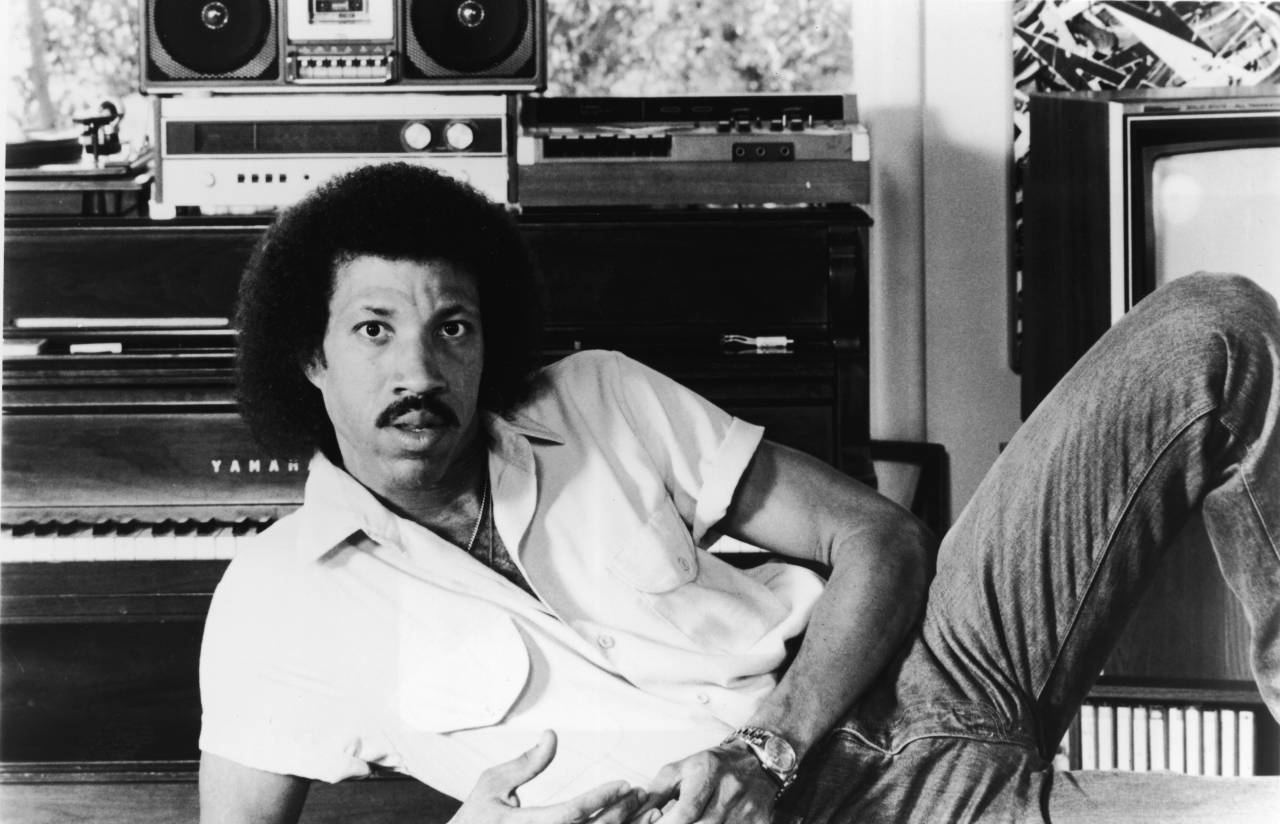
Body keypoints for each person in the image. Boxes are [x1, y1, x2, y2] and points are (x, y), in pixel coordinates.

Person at [200, 162, 1280, 824]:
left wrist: (769, 740)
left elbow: (877, 536)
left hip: (926, 660)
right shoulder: (272, 602)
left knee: (1210, 325)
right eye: (374, 329)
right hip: (862, 813)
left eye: (452, 327)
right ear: (309, 356)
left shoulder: (597, 396)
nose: (418, 371)